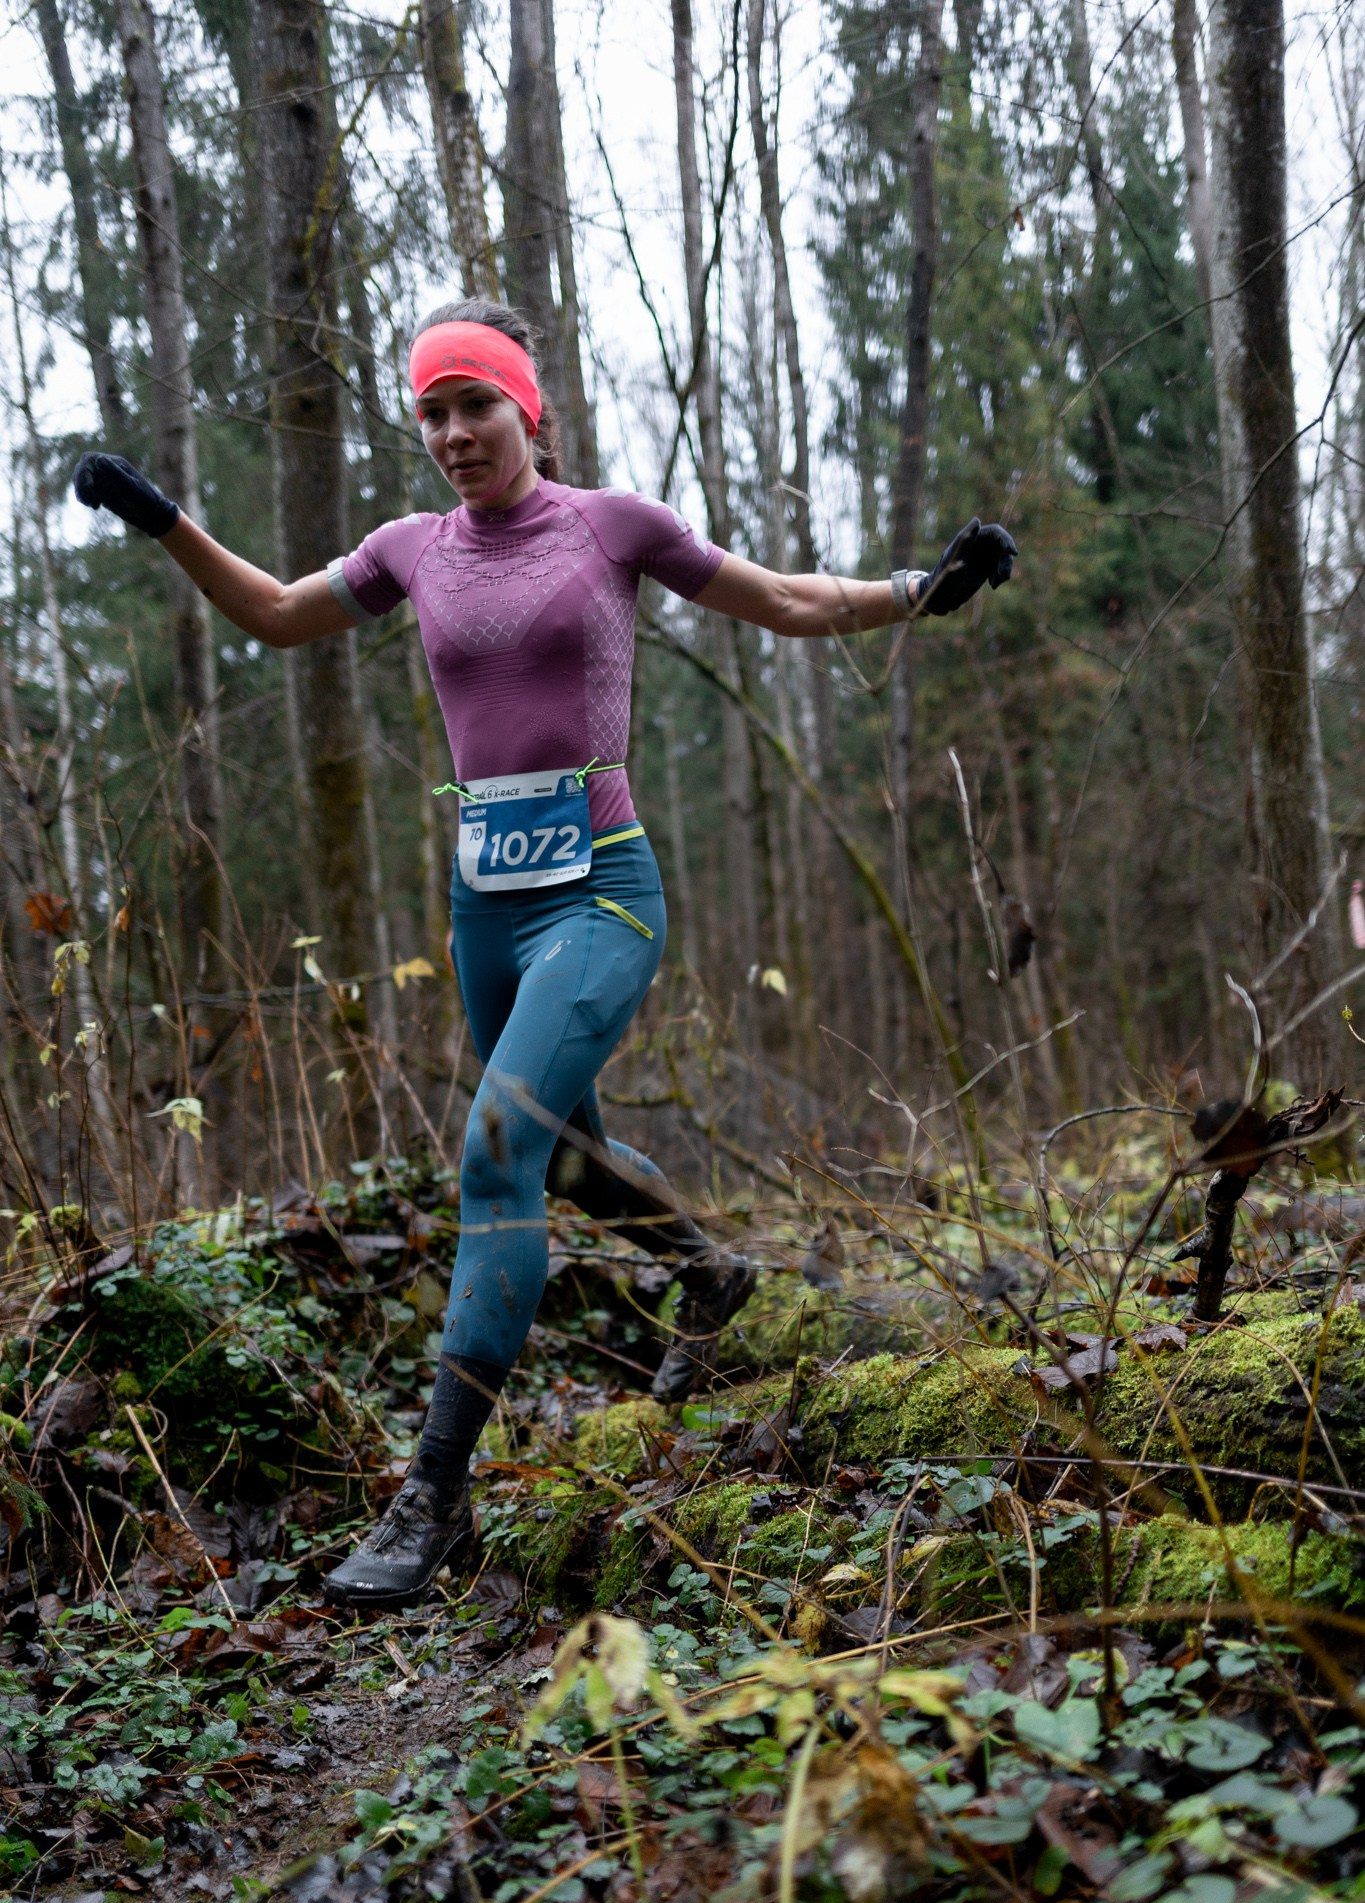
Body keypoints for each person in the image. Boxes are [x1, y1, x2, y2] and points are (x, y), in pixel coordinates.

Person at [73, 297, 1017, 1608]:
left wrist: (921, 589)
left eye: (478, 405)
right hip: (486, 907)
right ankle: (706, 1265)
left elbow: (785, 599)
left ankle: (430, 1495)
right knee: (561, 1156)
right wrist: (165, 518)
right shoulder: (411, 550)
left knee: (497, 1146)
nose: (456, 433)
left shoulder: (609, 526)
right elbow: (282, 615)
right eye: (435, 413)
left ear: (531, 410)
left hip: (604, 893)